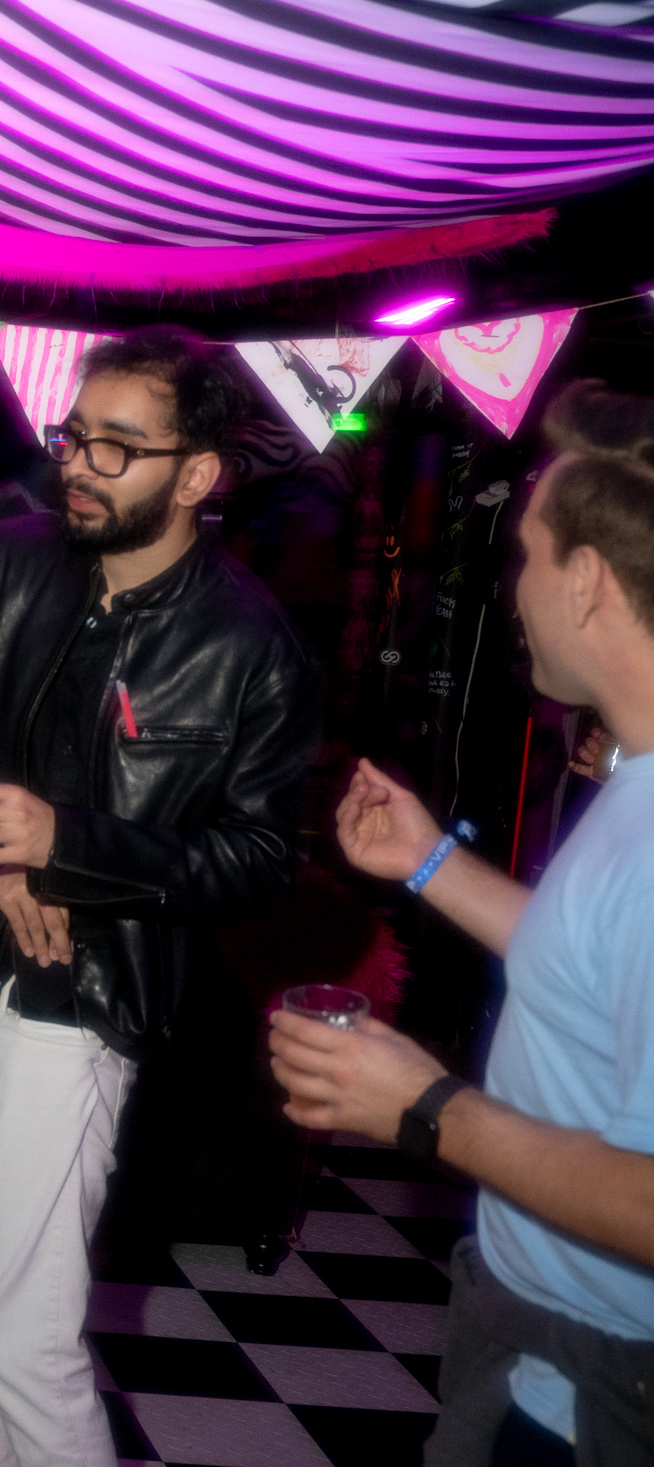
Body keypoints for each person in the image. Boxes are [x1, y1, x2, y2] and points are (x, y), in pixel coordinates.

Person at [0, 325, 321, 1467]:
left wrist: (68, 848)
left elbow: (259, 858)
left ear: (198, 476)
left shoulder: (251, 646)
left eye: (118, 448)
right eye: (74, 436)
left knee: (22, 1339)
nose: (77, 464)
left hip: (81, 1007)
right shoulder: (10, 563)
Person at [270, 380, 654, 1467]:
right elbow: (598, 959)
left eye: (525, 558)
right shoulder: (636, 778)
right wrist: (429, 863)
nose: (513, 590)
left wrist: (427, 1107)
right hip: (539, 1332)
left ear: (584, 582)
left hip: (605, 1384)